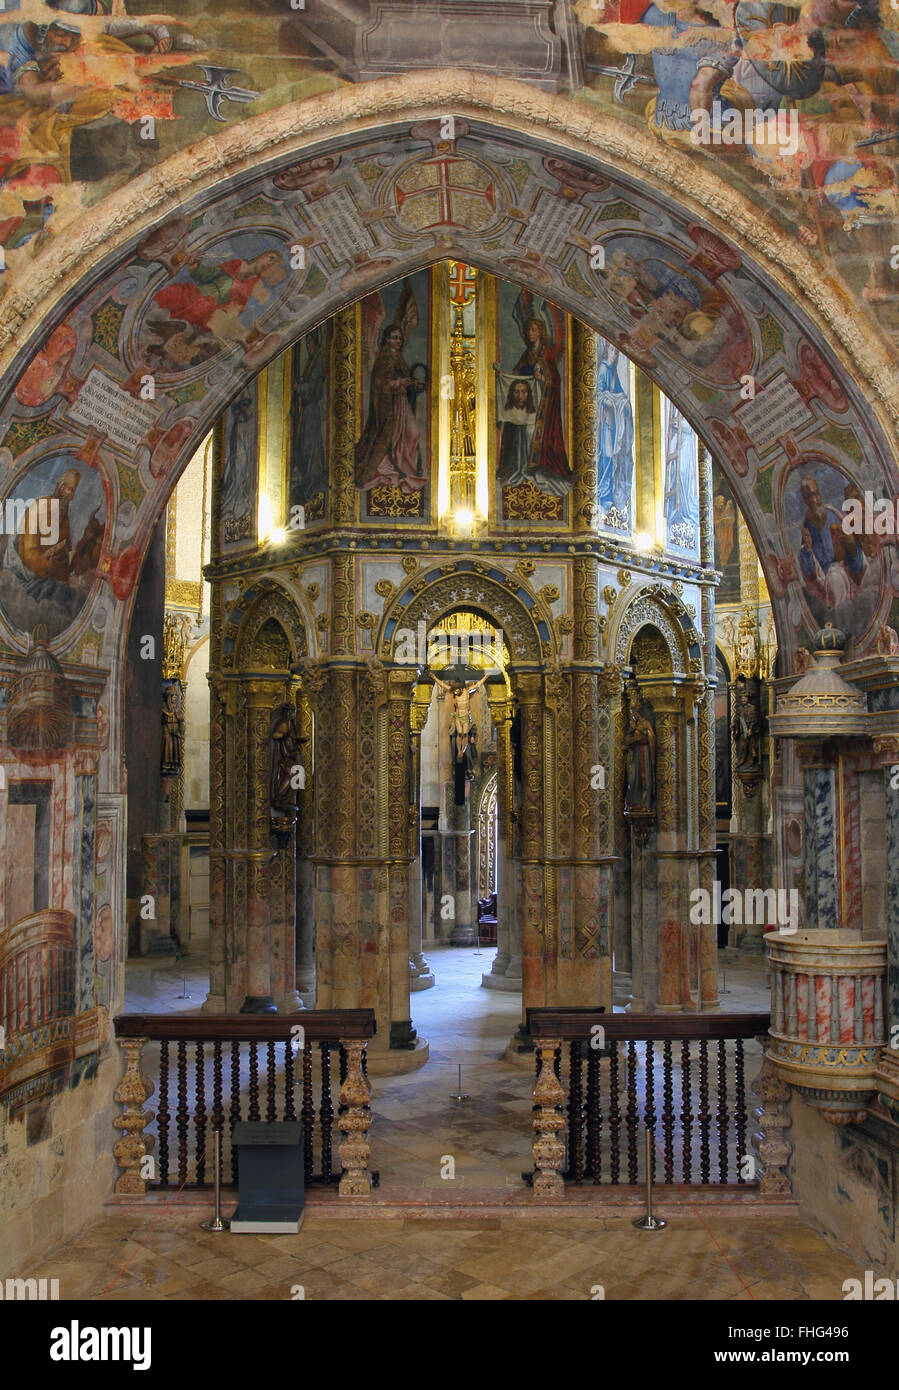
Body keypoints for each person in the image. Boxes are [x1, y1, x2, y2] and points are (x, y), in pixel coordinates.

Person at [354, 323, 427, 492]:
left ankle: (405, 469)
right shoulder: (384, 358)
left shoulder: (398, 358)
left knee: (412, 433)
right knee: (392, 437)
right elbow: (379, 384)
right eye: (395, 337)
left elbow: (404, 379)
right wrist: (399, 383)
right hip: (390, 408)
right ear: (387, 339)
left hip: (402, 404)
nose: (398, 341)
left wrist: (413, 383)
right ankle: (391, 470)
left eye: (400, 338)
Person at [431, 670, 489, 768]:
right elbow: (442, 685)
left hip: (465, 716)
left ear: (460, 689)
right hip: (457, 716)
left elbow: (478, 684)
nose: (455, 692)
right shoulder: (454, 691)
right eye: (454, 691)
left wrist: (486, 677)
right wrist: (434, 678)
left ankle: (463, 750)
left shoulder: (467, 692)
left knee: (465, 734)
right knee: (460, 733)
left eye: (457, 690)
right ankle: (459, 751)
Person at [623, 690, 656, 813]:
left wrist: (640, 739)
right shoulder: (634, 725)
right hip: (634, 755)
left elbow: (650, 738)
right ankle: (634, 802)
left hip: (644, 753)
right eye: (631, 713)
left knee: (644, 778)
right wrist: (628, 742)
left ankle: (645, 802)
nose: (633, 715)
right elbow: (627, 738)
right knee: (633, 779)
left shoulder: (645, 723)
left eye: (634, 712)